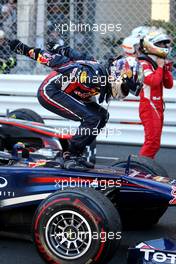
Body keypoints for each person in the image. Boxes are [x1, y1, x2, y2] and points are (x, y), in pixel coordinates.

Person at [10, 39, 143, 170]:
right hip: (51, 92)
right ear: (118, 76)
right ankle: (70, 156)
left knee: (102, 115)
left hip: (68, 93)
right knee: (92, 118)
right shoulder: (91, 76)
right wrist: (25, 49)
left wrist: (59, 47)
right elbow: (55, 61)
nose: (125, 92)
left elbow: (77, 55)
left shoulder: (100, 74)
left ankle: (76, 154)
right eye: (125, 87)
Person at [138, 30, 173, 159]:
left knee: (155, 144)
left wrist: (165, 68)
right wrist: (160, 67)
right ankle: (139, 170)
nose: (165, 47)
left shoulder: (157, 63)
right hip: (149, 107)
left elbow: (168, 85)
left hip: (157, 106)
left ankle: (146, 169)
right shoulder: (143, 63)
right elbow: (153, 81)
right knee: (152, 143)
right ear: (150, 45)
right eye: (161, 44)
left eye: (165, 44)